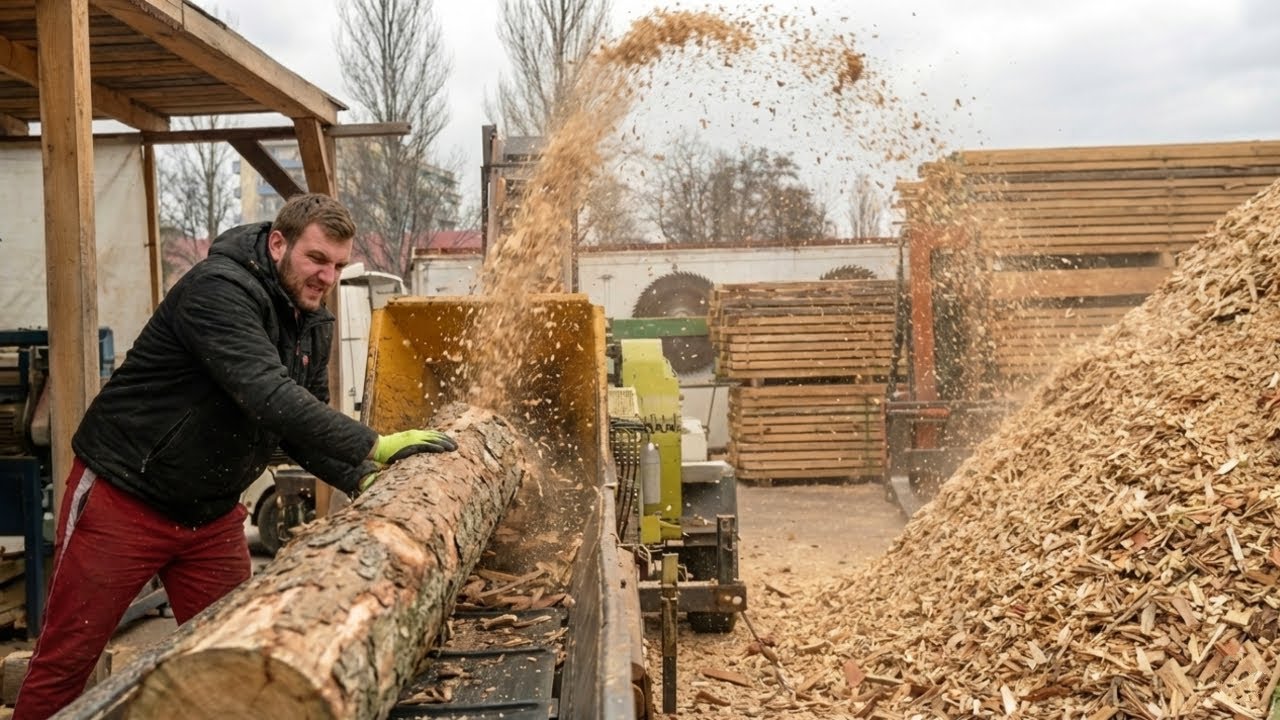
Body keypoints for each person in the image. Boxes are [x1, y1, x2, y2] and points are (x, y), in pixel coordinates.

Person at [13, 193, 455, 719]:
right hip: (125, 499)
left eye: (337, 265)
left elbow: (295, 423)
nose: (327, 277)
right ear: (277, 244)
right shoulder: (217, 292)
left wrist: (361, 477)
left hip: (211, 515)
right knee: (66, 662)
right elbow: (266, 393)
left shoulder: (313, 321)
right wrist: (373, 444)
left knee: (244, 661)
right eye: (316, 259)